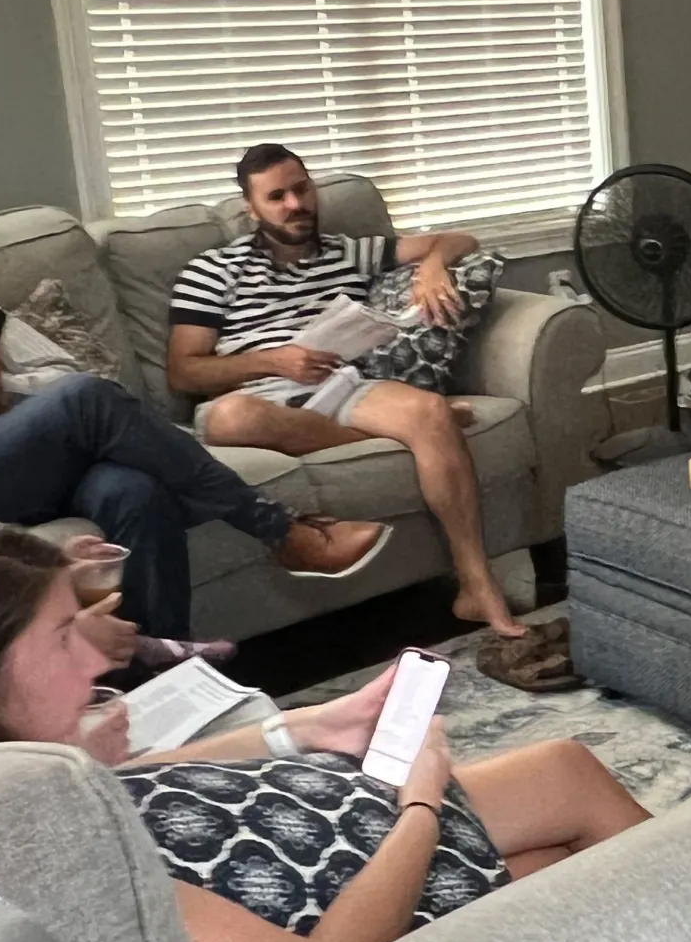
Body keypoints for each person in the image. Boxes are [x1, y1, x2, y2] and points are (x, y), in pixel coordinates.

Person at [0, 523, 652, 942]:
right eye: (65, 637)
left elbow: (129, 784)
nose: (96, 657)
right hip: (356, 879)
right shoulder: (45, 859)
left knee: (563, 824)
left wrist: (304, 728)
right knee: (568, 788)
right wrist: (422, 804)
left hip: (311, 837)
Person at [0, 192, 385, 644]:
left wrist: (0, 395)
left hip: (28, 449)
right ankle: (280, 529)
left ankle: (162, 678)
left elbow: (63, 371)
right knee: (88, 400)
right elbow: (82, 394)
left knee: (134, 491)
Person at [166, 145, 521, 638]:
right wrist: (276, 359)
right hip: (259, 395)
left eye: (301, 189)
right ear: (251, 208)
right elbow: (183, 373)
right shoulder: (211, 271)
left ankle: (476, 585)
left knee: (426, 412)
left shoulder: (350, 251)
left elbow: (459, 238)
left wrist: (432, 268)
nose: (295, 204)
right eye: (277, 197)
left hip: (341, 384)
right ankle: (418, 436)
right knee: (229, 419)